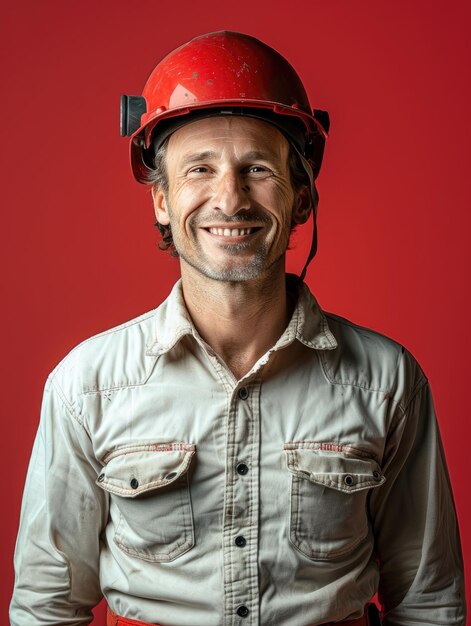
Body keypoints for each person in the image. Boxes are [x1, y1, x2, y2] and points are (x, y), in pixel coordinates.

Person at [10, 31, 466, 626]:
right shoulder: (86, 386)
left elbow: (428, 601)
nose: (230, 198)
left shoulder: (386, 382)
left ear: (302, 197)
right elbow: (47, 605)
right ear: (161, 201)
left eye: (256, 168)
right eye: (199, 168)